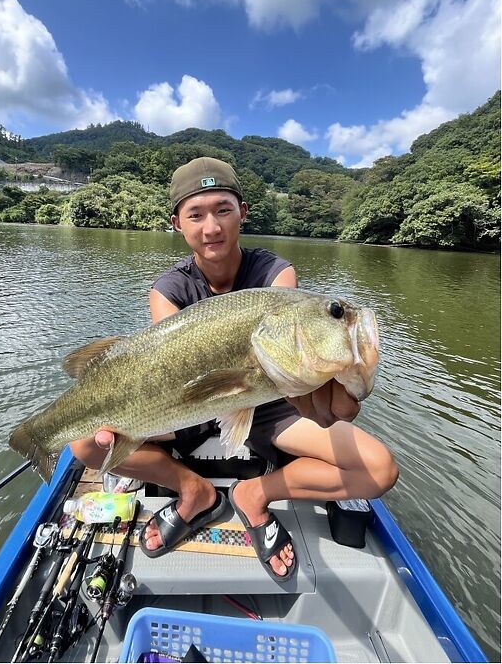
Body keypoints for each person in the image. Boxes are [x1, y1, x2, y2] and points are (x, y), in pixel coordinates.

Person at [70, 157, 398, 582]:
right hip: (191, 403)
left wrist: (334, 381)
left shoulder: (276, 275)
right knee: (85, 446)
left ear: (242, 212)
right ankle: (194, 491)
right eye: (196, 214)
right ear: (177, 223)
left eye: (223, 209)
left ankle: (255, 494)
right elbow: (164, 366)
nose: (212, 227)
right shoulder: (167, 289)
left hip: (267, 398)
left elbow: (291, 360)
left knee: (379, 469)